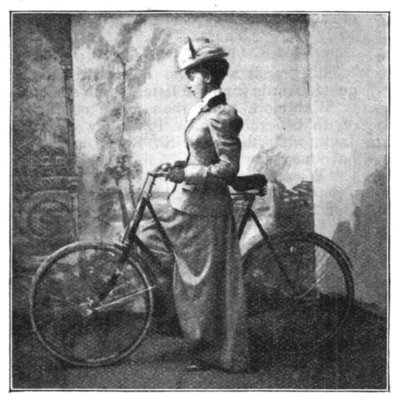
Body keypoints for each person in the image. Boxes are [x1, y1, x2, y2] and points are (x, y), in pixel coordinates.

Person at [138, 37, 249, 372]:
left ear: (208, 77)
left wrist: (187, 173)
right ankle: (177, 318)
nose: (188, 83)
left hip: (207, 210)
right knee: (147, 233)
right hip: (188, 201)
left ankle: (210, 350)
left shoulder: (222, 115)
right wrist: (179, 165)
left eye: (192, 76)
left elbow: (228, 168)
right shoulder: (203, 111)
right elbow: (201, 155)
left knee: (201, 283)